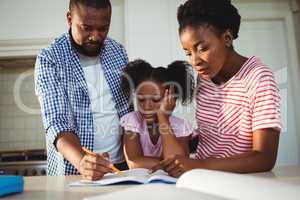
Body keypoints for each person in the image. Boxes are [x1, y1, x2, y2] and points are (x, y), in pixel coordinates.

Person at [150, 0, 282, 177]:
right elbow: (212, 140)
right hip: (205, 180)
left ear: (227, 38)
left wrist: (197, 165)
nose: (195, 61)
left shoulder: (258, 77)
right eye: (188, 52)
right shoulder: (204, 79)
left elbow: (264, 158)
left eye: (202, 48)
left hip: (242, 183)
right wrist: (174, 162)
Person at [34, 0, 132, 180]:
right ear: (69, 19)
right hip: (76, 170)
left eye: (103, 28)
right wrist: (81, 162)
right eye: (86, 28)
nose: (95, 36)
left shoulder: (118, 52)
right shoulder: (50, 58)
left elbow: (128, 112)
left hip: (122, 168)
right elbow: (57, 123)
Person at [120, 59, 195, 176]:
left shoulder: (181, 126)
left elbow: (179, 166)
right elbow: (134, 164)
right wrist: (167, 165)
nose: (146, 106)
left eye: (155, 100)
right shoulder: (132, 121)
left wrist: (163, 117)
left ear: (172, 98)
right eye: (141, 99)